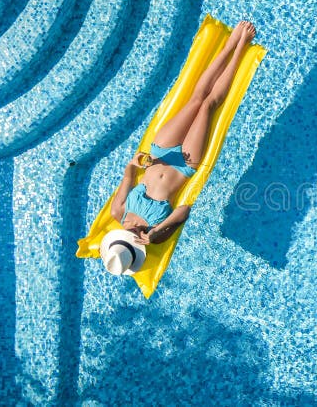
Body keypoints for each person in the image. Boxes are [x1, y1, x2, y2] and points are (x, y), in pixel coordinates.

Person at [99, 21, 256, 274]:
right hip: (184, 165)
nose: (133, 234)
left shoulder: (119, 211)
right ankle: (240, 48)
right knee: (208, 106)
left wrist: (136, 161)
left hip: (160, 153)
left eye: (127, 236)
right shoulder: (155, 235)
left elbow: (128, 174)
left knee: (195, 100)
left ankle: (228, 47)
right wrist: (157, 231)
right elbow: (184, 210)